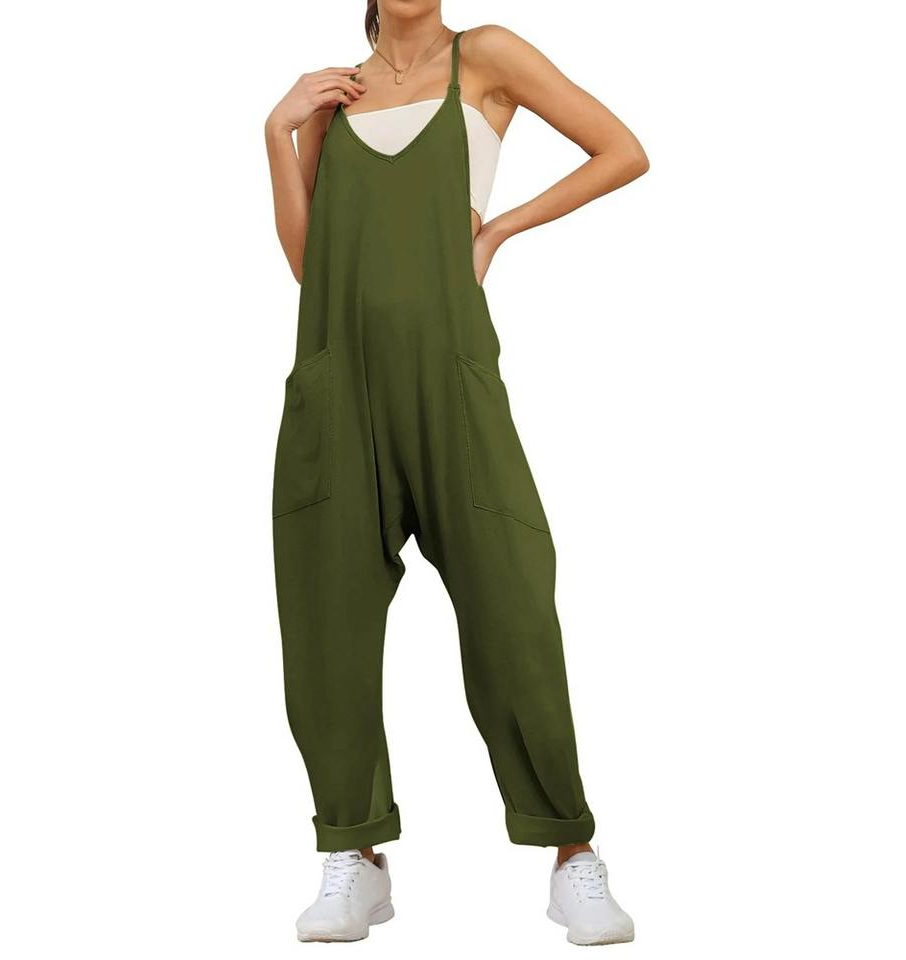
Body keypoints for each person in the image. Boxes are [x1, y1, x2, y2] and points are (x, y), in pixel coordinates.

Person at [264, 2, 648, 945]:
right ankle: (353, 853)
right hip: (337, 385)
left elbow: (621, 150)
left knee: (513, 607)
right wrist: (279, 132)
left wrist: (499, 229)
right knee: (327, 625)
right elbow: (312, 266)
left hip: (453, 379)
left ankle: (570, 851)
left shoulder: (487, 56)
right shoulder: (331, 97)